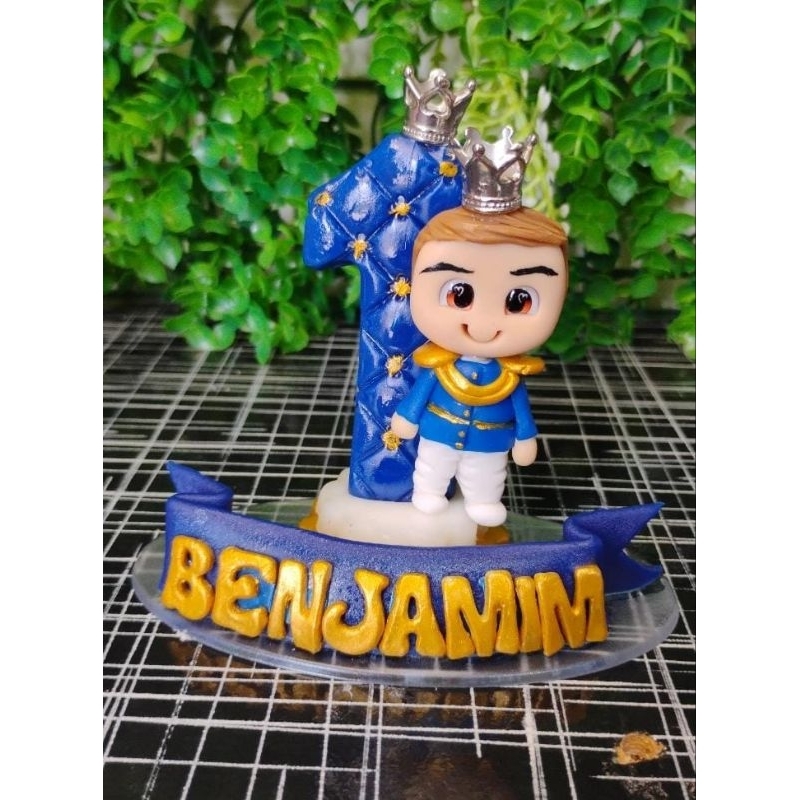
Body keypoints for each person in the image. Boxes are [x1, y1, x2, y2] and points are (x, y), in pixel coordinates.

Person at [390, 204, 569, 527]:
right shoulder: (440, 365)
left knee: (486, 475)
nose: (483, 326)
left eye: (519, 301)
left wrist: (525, 438)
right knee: (433, 465)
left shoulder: (510, 375)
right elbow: (421, 393)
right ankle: (429, 492)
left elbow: (521, 408)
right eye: (459, 296)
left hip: (490, 442)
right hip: (440, 431)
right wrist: (407, 416)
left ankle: (483, 500)